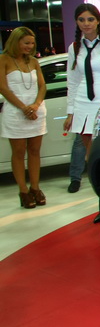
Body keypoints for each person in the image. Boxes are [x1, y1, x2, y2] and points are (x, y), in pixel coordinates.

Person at [64, 4, 100, 213]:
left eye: (90, 19)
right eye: (81, 20)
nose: (86, 24)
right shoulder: (74, 48)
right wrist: (70, 111)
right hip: (82, 103)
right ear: (77, 22)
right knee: (92, 155)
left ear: (98, 21)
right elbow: (72, 81)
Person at [0, 27, 47, 209]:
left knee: (35, 151)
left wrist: (35, 105)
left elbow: (42, 86)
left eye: (32, 43)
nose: (30, 46)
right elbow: (3, 88)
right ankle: (23, 191)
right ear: (15, 41)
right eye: (26, 42)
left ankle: (35, 188)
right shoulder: (4, 60)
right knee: (18, 153)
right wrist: (23, 108)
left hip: (36, 112)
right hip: (15, 113)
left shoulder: (34, 62)